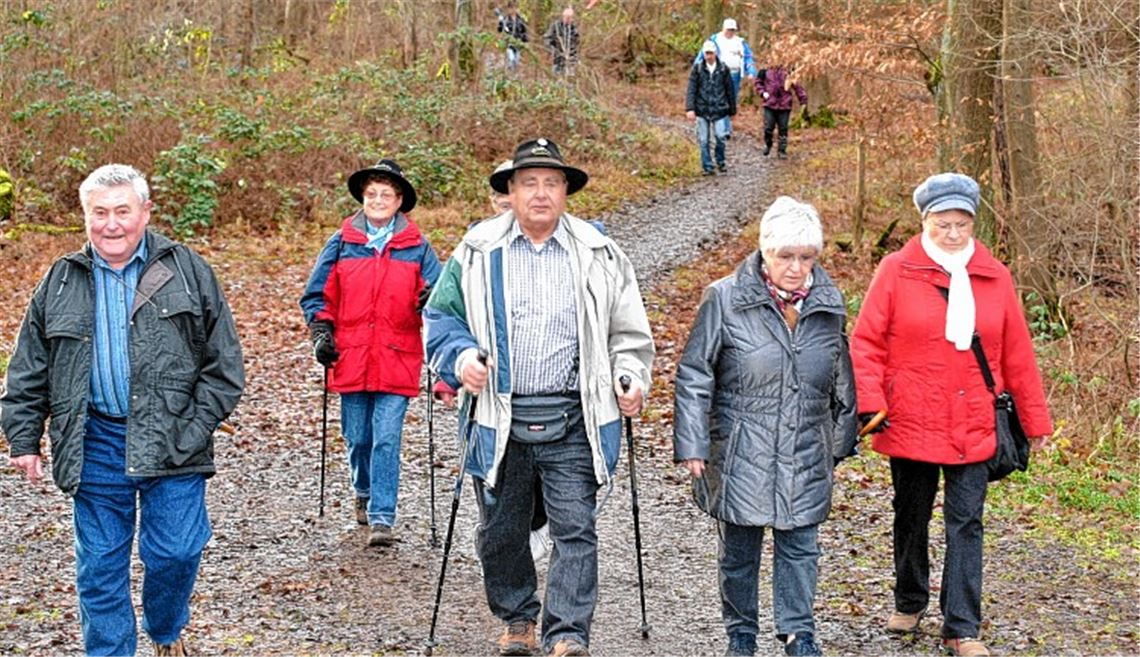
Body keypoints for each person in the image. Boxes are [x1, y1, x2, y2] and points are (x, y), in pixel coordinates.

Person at [1, 164, 245, 656]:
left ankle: (165, 626)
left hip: (174, 439)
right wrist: (23, 438)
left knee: (175, 552)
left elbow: (224, 366)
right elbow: (29, 365)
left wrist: (194, 428)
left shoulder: (187, 270)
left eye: (122, 212)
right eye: (99, 213)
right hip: (95, 441)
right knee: (100, 568)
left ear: (145, 213)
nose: (111, 224)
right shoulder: (62, 279)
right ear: (85, 216)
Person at [424, 137, 654, 657]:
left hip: (575, 414)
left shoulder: (600, 252)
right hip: (499, 415)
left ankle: (568, 633)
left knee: (576, 527)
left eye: (552, 183)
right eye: (530, 183)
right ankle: (517, 618)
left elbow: (629, 332)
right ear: (510, 190)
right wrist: (461, 359)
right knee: (502, 530)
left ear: (566, 192)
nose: (542, 193)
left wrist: (631, 375)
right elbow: (440, 319)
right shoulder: (477, 250)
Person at [850, 173, 1053, 657]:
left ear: (973, 224)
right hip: (911, 416)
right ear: (926, 221)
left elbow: (1017, 354)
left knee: (967, 522)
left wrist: (1035, 419)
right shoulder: (896, 270)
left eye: (963, 224)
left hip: (973, 417)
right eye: (944, 223)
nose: (954, 233)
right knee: (911, 514)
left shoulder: (995, 275)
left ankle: (962, 626)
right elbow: (866, 343)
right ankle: (910, 597)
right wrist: (870, 404)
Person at [674, 196, 857, 657]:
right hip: (740, 444)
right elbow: (696, 372)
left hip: (805, 442)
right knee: (740, 550)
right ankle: (742, 633)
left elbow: (841, 374)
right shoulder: (724, 298)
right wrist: (693, 442)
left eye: (806, 257)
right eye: (786, 257)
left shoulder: (829, 303)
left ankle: (799, 633)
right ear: (765, 252)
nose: (796, 268)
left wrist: (839, 440)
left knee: (801, 545)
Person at [300, 159, 442, 548]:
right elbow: (316, 294)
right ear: (363, 199)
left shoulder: (417, 247)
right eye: (372, 194)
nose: (378, 200)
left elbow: (442, 296)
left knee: (386, 438)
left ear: (400, 202)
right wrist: (322, 331)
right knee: (358, 436)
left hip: (398, 354)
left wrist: (429, 299)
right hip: (352, 354)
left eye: (386, 195)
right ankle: (362, 490)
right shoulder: (343, 242)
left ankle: (382, 516)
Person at [695, 18, 758, 136]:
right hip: (719, 73)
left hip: (734, 75)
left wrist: (751, 71)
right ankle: (724, 129)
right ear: (723, 29)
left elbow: (748, 58)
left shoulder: (740, 42)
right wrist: (697, 68)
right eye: (728, 30)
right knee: (721, 98)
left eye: (732, 30)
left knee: (731, 100)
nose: (730, 32)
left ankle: (725, 126)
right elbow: (703, 54)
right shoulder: (715, 39)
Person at [686, 40, 737, 175]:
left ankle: (720, 161)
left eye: (711, 53)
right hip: (702, 109)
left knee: (721, 137)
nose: (708, 56)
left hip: (719, 109)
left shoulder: (723, 69)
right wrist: (690, 108)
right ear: (703, 54)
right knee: (703, 140)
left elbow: (730, 90)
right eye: (706, 53)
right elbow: (691, 89)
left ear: (715, 53)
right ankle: (707, 166)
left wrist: (732, 109)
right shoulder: (697, 69)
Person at [754, 64, 808, 159]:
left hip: (785, 104)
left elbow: (797, 85)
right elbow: (758, 82)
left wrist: (802, 99)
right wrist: (762, 92)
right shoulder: (765, 70)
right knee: (768, 127)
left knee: (783, 128)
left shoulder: (789, 70)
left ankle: (782, 150)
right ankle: (768, 143)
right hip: (769, 104)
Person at [544, 6, 580, 76]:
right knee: (556, 78)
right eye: (566, 17)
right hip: (557, 58)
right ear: (563, 16)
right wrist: (552, 49)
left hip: (570, 59)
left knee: (570, 78)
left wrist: (573, 54)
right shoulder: (556, 26)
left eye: (570, 18)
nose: (568, 19)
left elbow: (577, 42)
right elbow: (547, 38)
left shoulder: (574, 29)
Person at [496, 2, 529, 71]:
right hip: (509, 43)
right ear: (508, 9)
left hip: (518, 43)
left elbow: (524, 31)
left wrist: (525, 41)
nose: (513, 10)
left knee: (516, 61)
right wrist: (500, 23)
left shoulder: (520, 20)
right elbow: (499, 30)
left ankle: (514, 76)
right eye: (511, 8)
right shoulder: (505, 19)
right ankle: (509, 74)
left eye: (515, 8)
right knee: (511, 59)